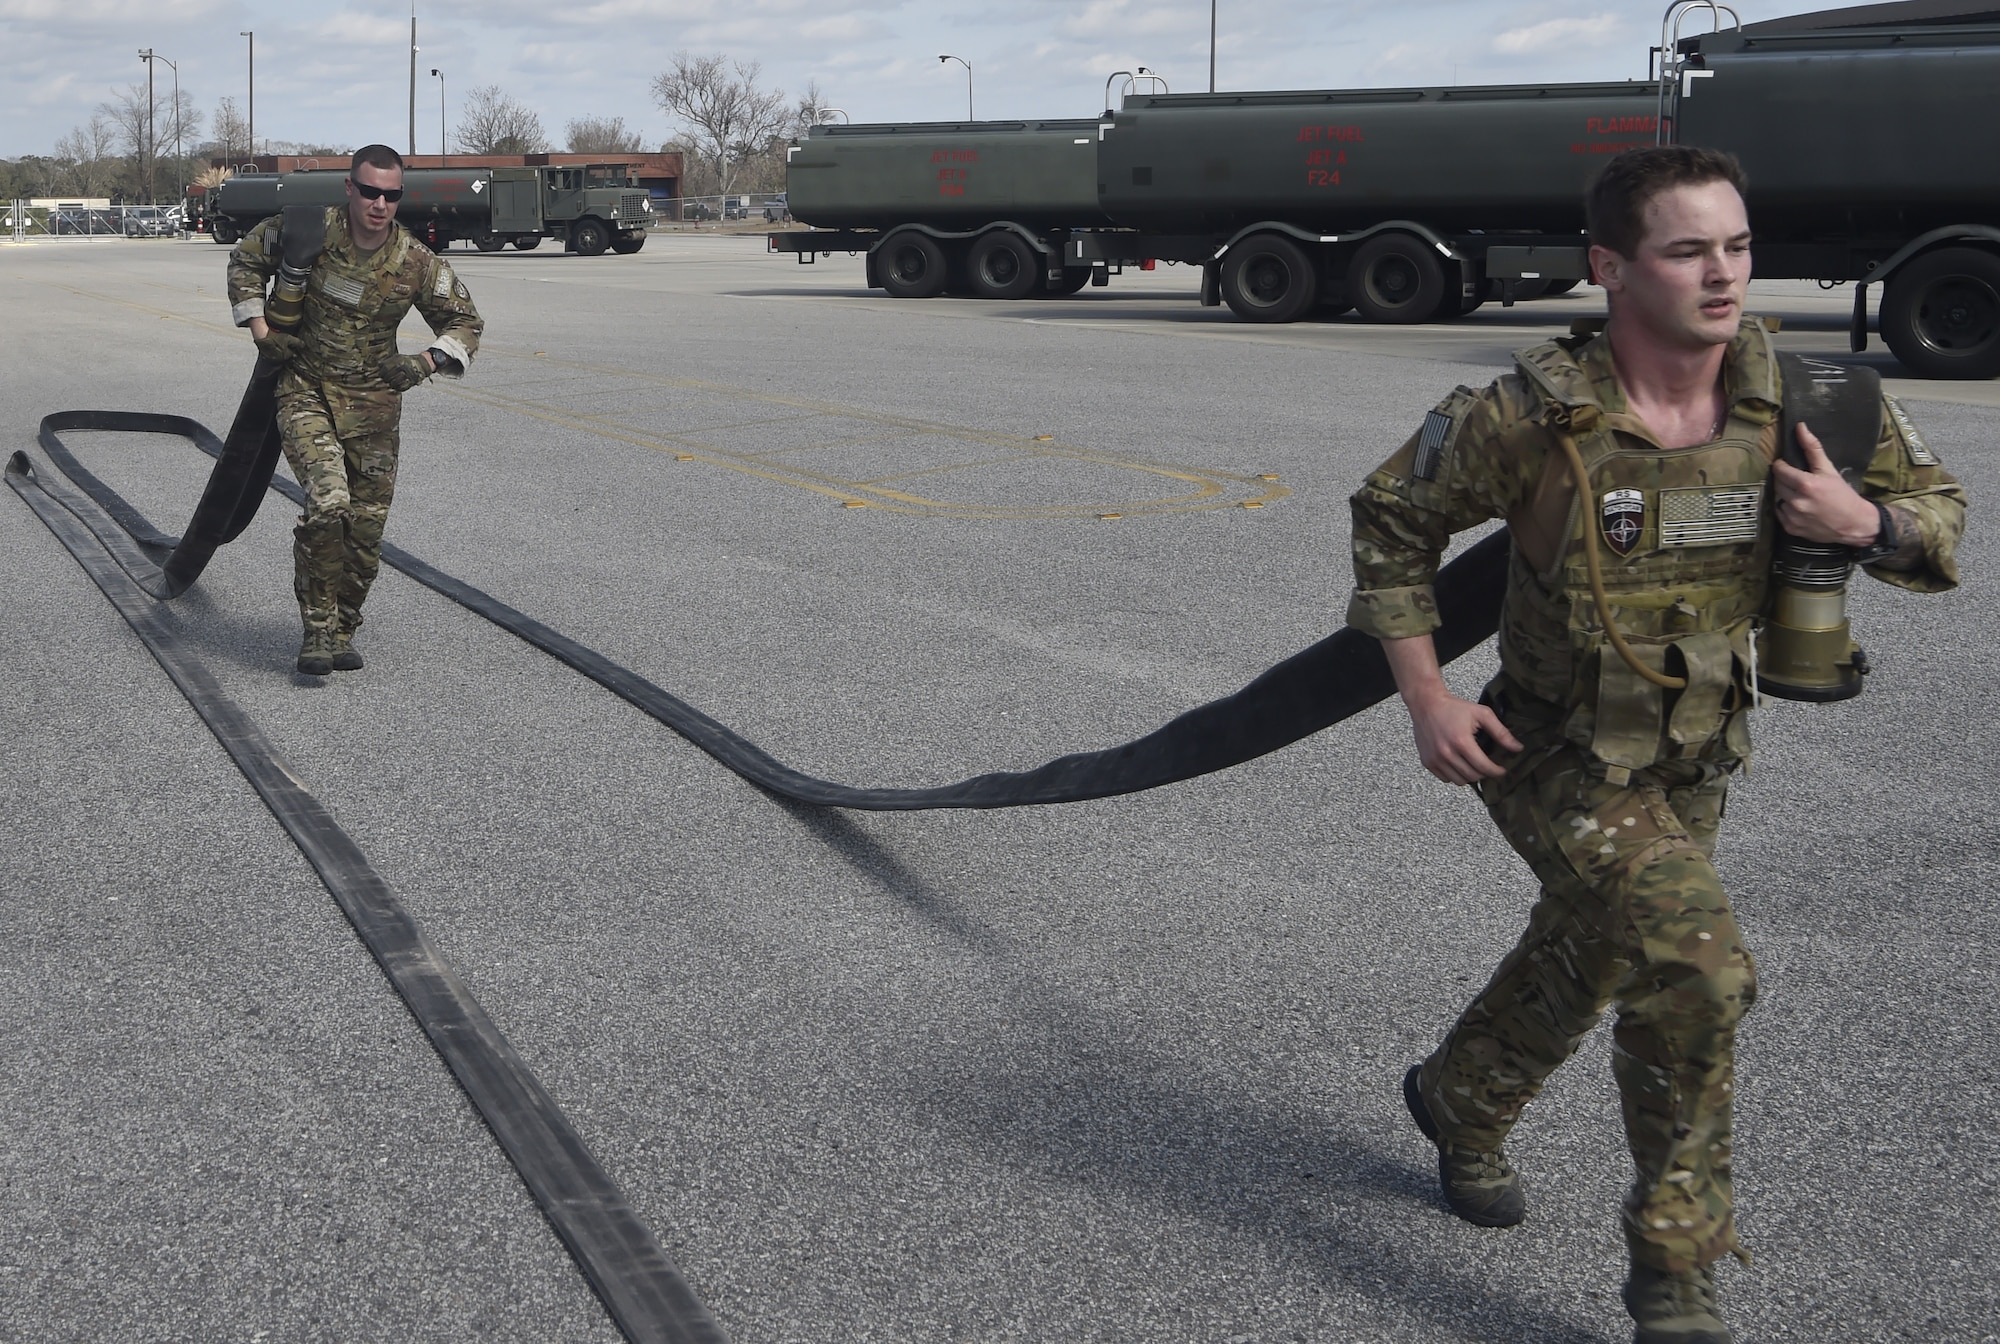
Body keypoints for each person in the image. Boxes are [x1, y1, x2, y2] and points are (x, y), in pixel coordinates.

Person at [1345, 146, 1965, 1344]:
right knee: (1697, 968)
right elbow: (1390, 523)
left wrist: (1865, 521)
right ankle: (1674, 1272)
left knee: (1602, 951)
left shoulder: (1808, 395)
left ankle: (1458, 1100)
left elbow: (1939, 520)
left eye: (1734, 245)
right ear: (1609, 268)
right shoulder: (1526, 411)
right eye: (1686, 251)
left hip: (1695, 754)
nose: (1721, 275)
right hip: (1546, 748)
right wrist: (1423, 696)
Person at [227, 144, 483, 675]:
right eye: (369, 191)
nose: (379, 204)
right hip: (307, 389)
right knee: (328, 502)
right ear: (350, 188)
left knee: (365, 532)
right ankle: (317, 630)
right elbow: (247, 259)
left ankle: (344, 628)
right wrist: (261, 330)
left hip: (375, 407)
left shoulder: (416, 260)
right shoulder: (307, 229)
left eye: (391, 195)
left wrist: (427, 361)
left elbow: (464, 321)